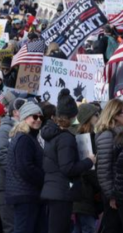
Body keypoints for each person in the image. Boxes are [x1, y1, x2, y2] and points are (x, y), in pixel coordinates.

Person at [41, 90, 95, 233]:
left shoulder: (53, 133)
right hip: (61, 192)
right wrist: (89, 161)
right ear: (73, 115)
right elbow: (67, 168)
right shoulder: (65, 137)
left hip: (54, 190)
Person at [5, 102, 47, 233]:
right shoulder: (24, 139)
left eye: (40, 117)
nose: (38, 119)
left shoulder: (29, 137)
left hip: (27, 193)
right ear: (25, 117)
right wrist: (45, 178)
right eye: (34, 116)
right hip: (26, 195)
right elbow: (26, 168)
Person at [95, 99, 123, 233]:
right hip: (114, 194)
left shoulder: (120, 134)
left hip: (121, 191)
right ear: (115, 115)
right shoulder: (107, 135)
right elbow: (104, 170)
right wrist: (111, 195)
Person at [0, 98, 26, 233]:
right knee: (11, 227)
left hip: (14, 185)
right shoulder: (4, 130)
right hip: (4, 185)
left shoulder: (21, 129)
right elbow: (0, 155)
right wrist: (20, 171)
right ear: (16, 112)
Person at [72, 104, 101, 233]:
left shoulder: (86, 136)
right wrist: (100, 186)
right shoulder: (84, 139)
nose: (98, 117)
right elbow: (88, 170)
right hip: (85, 194)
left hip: (83, 193)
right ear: (88, 118)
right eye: (96, 115)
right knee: (87, 228)